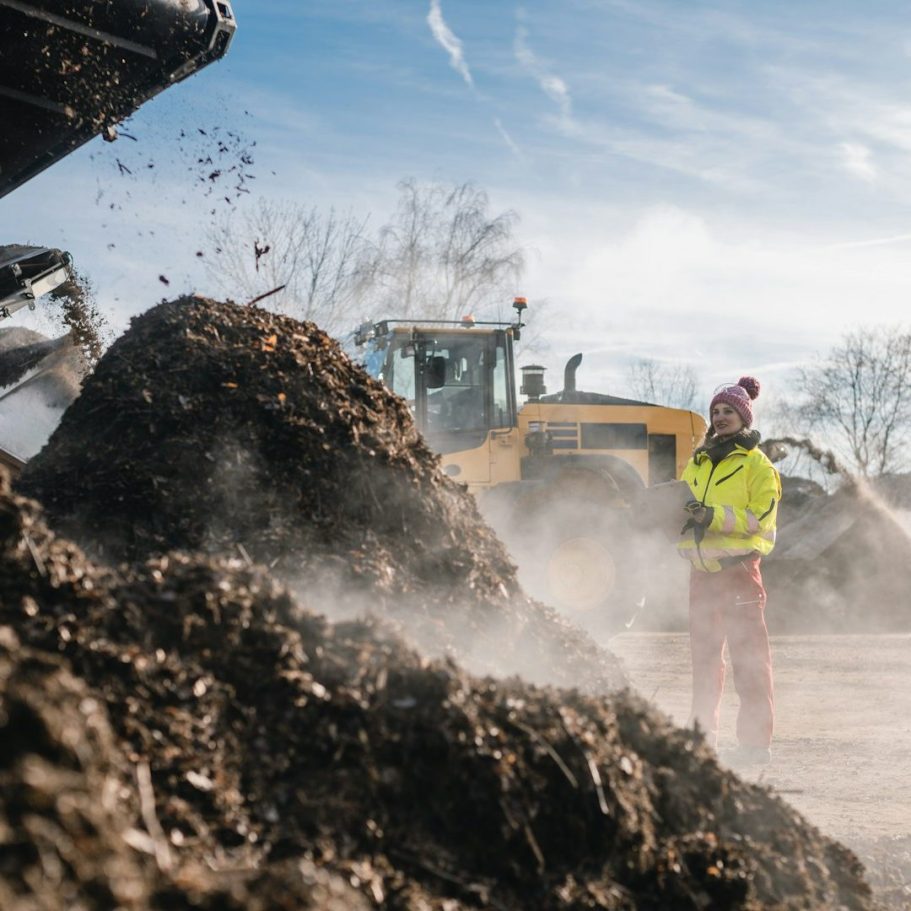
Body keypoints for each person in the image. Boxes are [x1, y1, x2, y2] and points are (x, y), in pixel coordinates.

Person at [677, 376, 781, 765]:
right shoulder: (697, 462)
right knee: (704, 664)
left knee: (749, 662)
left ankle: (754, 746)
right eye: (715, 411)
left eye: (728, 411)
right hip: (701, 576)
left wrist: (711, 516)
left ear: (744, 416)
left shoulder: (758, 465)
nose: (720, 417)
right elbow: (682, 509)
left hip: (739, 575)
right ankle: (701, 741)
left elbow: (760, 519)